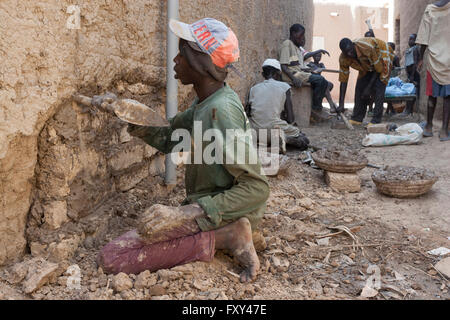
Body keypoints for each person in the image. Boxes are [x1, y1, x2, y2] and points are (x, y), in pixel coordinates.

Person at [96, 18, 270, 283]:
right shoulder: (208, 101)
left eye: (183, 53)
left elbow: (256, 188)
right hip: (211, 207)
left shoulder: (219, 111)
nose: (176, 60)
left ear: (201, 62)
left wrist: (186, 213)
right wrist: (124, 111)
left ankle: (228, 235)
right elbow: (169, 137)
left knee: (114, 257)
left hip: (220, 211)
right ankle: (226, 232)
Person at [247, 58, 310, 150]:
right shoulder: (285, 87)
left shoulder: (253, 89)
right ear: (278, 74)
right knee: (304, 139)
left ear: (263, 74)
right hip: (273, 128)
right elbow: (290, 118)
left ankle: (270, 143)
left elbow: (250, 112)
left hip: (255, 132)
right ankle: (285, 139)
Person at [279, 24, 334, 120]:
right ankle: (316, 109)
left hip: (299, 73)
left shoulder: (296, 48)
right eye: (301, 35)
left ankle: (317, 107)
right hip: (292, 75)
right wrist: (294, 79)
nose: (302, 38)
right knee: (320, 80)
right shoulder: (287, 44)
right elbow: (283, 65)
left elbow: (298, 64)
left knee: (325, 83)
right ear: (293, 33)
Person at [338, 37, 391, 125]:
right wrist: (341, 104)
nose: (350, 54)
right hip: (366, 65)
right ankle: (357, 118)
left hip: (382, 57)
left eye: (351, 50)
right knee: (360, 87)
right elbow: (343, 80)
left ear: (353, 45)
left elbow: (378, 69)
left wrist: (368, 88)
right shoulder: (343, 58)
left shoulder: (367, 48)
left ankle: (376, 120)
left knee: (379, 86)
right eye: (346, 53)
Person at [417, 0, 450, 141]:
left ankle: (429, 127)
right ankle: (444, 131)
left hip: (433, 60)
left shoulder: (429, 10)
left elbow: (423, 39)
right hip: (449, 61)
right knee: (448, 98)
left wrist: (420, 59)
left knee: (432, 95)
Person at [402, 34, 421, 116]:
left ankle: (410, 110)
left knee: (413, 92)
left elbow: (415, 63)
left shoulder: (415, 49)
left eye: (412, 39)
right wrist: (408, 74)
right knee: (410, 91)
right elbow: (407, 64)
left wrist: (412, 75)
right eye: (409, 39)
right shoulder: (408, 50)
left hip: (414, 74)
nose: (410, 41)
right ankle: (408, 109)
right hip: (410, 74)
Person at [386, 42, 401, 115]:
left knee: (390, 95)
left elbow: (399, 69)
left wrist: (394, 68)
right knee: (387, 94)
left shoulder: (395, 57)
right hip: (386, 77)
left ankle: (390, 109)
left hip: (393, 78)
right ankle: (390, 109)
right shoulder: (385, 56)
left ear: (393, 49)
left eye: (390, 47)